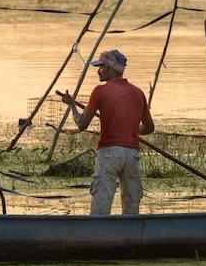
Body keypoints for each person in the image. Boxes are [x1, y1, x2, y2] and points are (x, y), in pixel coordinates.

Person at [57, 49, 154, 215]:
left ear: (111, 69)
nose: (98, 70)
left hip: (109, 153)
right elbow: (149, 127)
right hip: (131, 155)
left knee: (100, 209)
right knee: (131, 210)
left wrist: (72, 105)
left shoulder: (100, 91)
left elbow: (81, 124)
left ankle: (98, 237)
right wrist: (129, 129)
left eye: (101, 67)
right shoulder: (138, 93)